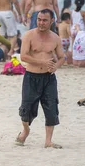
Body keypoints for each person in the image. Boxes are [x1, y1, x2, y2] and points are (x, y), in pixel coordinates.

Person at [15, 9, 65, 149]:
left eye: (44, 20)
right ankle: (26, 130)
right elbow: (24, 56)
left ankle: (48, 141)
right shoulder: (29, 35)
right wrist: (43, 63)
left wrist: (56, 66)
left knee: (51, 108)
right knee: (26, 109)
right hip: (31, 76)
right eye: (39, 19)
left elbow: (62, 57)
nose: (41, 23)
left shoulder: (55, 38)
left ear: (51, 21)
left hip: (49, 78)